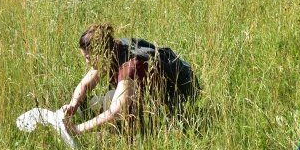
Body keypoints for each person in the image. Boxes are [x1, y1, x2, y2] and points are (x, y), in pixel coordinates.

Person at [61, 24, 199, 136]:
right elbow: (85, 84)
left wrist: (77, 129)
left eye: (88, 57)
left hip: (172, 102)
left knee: (111, 99)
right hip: (150, 95)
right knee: (95, 101)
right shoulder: (113, 48)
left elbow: (116, 112)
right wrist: (73, 104)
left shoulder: (130, 66)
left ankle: (133, 130)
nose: (87, 62)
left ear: (99, 52)